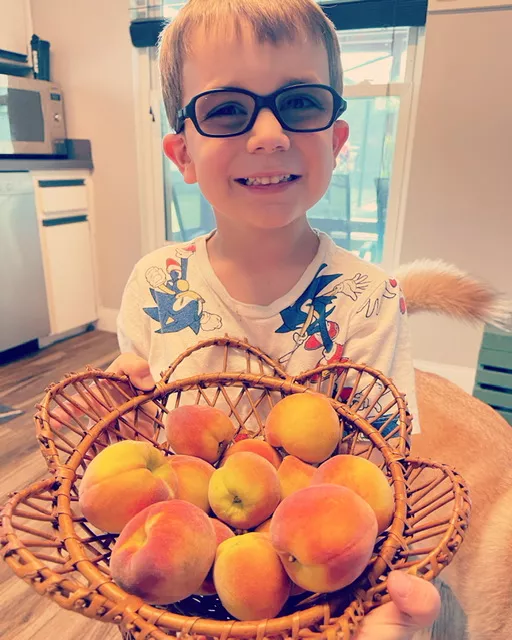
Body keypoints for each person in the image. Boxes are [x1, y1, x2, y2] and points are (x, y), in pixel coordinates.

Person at [107, 0, 441, 634]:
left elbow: (380, 469)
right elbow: (150, 443)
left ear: (337, 141)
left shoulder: (369, 300)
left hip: (316, 601)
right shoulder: (155, 284)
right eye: (227, 109)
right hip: (177, 596)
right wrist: (130, 386)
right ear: (182, 154)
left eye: (301, 103)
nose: (268, 134)